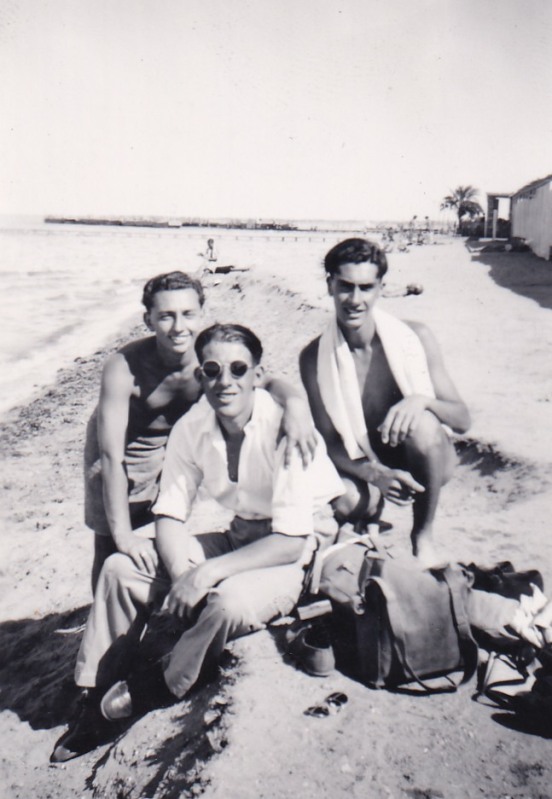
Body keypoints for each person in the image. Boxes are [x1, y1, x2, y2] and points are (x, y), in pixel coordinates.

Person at [51, 324, 343, 762]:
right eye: (212, 370)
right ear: (200, 375)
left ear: (257, 374)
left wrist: (204, 574)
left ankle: (160, 684)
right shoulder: (193, 426)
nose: (225, 381)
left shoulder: (284, 427)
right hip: (241, 535)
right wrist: (181, 575)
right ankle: (96, 694)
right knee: (119, 569)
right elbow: (170, 514)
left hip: (296, 551)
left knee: (225, 603)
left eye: (238, 369)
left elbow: (290, 542)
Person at [85, 271, 317, 592]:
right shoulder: (124, 366)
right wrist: (123, 536)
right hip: (127, 449)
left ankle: (163, 593)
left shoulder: (210, 357)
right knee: (111, 542)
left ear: (201, 314)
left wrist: (295, 403)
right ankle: (103, 601)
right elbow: (111, 457)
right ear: (148, 320)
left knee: (164, 525)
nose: (179, 327)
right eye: (166, 316)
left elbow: (265, 380)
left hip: (179, 440)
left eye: (188, 314)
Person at [299, 238, 471, 565]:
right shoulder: (313, 358)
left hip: (428, 459)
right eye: (345, 286)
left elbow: (462, 419)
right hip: (369, 460)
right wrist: (374, 474)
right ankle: (372, 510)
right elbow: (330, 441)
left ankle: (422, 536)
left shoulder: (415, 337)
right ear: (330, 285)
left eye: (366, 288)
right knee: (346, 501)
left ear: (381, 288)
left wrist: (422, 401)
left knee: (423, 426)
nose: (355, 300)